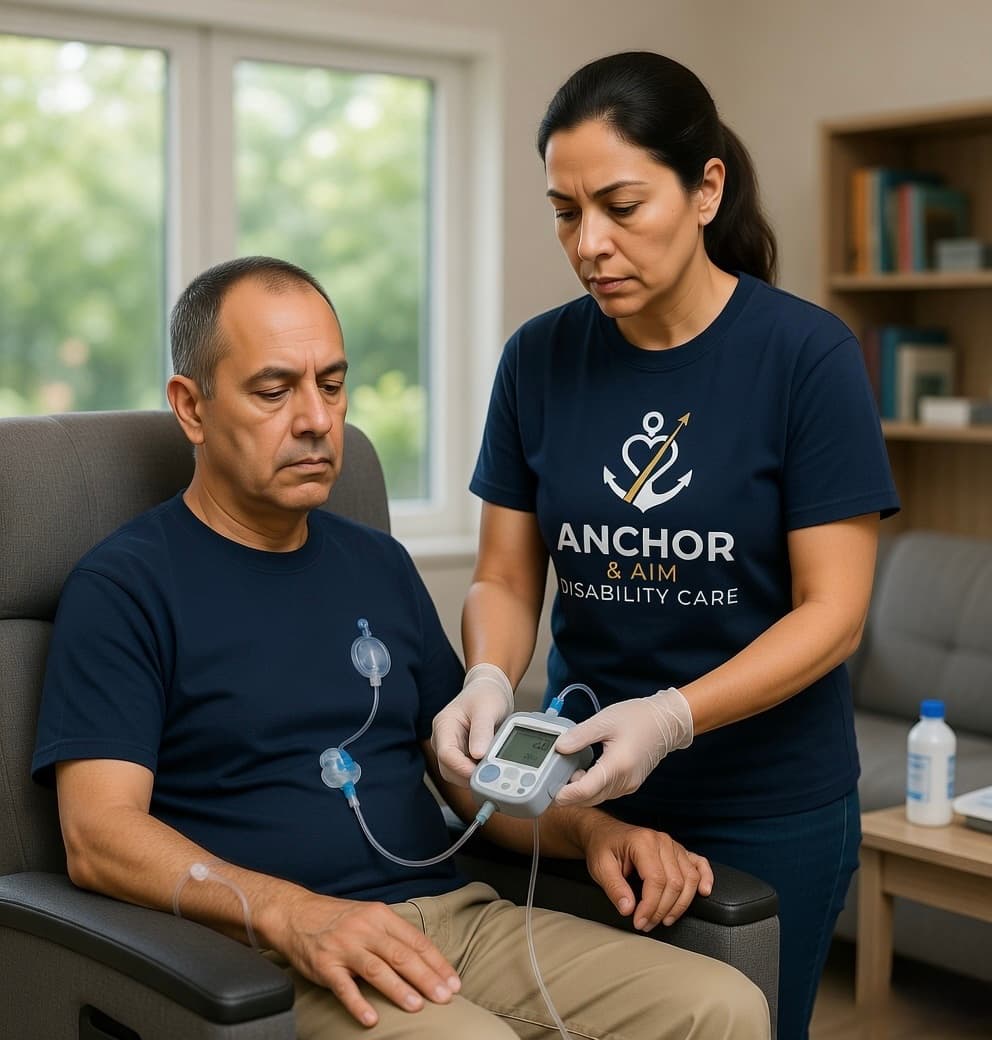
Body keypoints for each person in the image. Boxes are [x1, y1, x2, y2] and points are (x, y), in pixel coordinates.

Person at [32, 256, 769, 1040]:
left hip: (458, 920)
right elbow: (98, 838)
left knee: (722, 1005)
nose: (317, 418)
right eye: (275, 391)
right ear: (192, 406)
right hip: (277, 954)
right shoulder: (125, 587)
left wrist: (596, 832)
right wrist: (291, 915)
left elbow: (469, 786)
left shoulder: (378, 565)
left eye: (332, 383)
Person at [432, 51, 900, 1040]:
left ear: (703, 190)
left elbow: (832, 610)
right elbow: (506, 573)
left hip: (761, 801)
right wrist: (485, 670)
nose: (588, 243)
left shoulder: (803, 358)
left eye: (620, 204)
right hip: (577, 797)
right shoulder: (539, 357)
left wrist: (673, 715)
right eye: (564, 211)